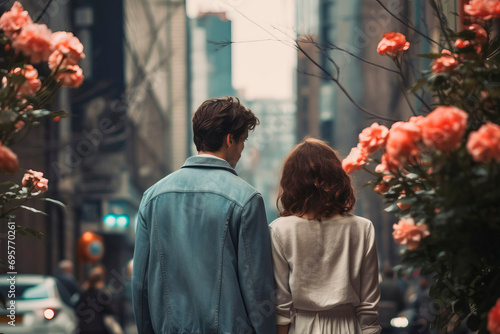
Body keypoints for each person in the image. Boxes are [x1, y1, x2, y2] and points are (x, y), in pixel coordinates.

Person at [132, 96, 276, 334]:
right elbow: (257, 290)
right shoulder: (246, 200)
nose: (242, 151)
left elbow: (140, 285)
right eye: (243, 141)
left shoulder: (152, 197)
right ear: (230, 140)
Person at [270, 138, 381, 334]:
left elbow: (281, 305)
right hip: (349, 327)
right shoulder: (362, 228)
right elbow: (369, 305)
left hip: (301, 327)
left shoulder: (279, 230)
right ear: (337, 176)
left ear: (291, 181)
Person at [76, 265, 122, 334]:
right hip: (99, 328)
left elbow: (77, 309)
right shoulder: (103, 294)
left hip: (84, 328)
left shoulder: (83, 294)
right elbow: (111, 310)